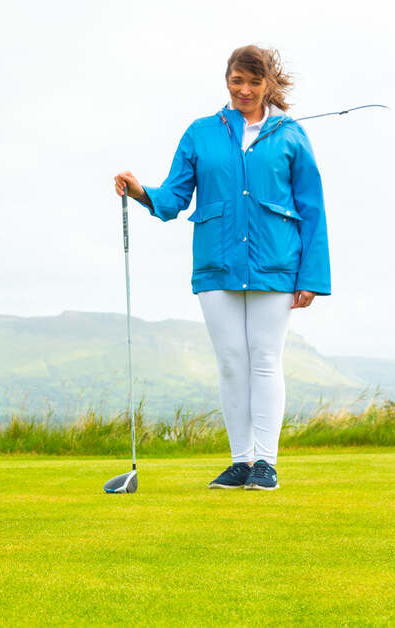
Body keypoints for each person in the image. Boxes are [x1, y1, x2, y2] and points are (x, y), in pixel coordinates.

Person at [114, 45, 330, 491]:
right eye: (237, 80)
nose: (245, 90)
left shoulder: (291, 135)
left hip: (276, 264)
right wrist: (140, 192)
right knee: (232, 362)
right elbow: (174, 197)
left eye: (254, 81)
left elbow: (312, 208)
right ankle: (241, 462)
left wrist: (311, 278)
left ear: (268, 83)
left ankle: (266, 464)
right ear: (227, 80)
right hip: (216, 264)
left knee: (265, 359)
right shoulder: (200, 133)